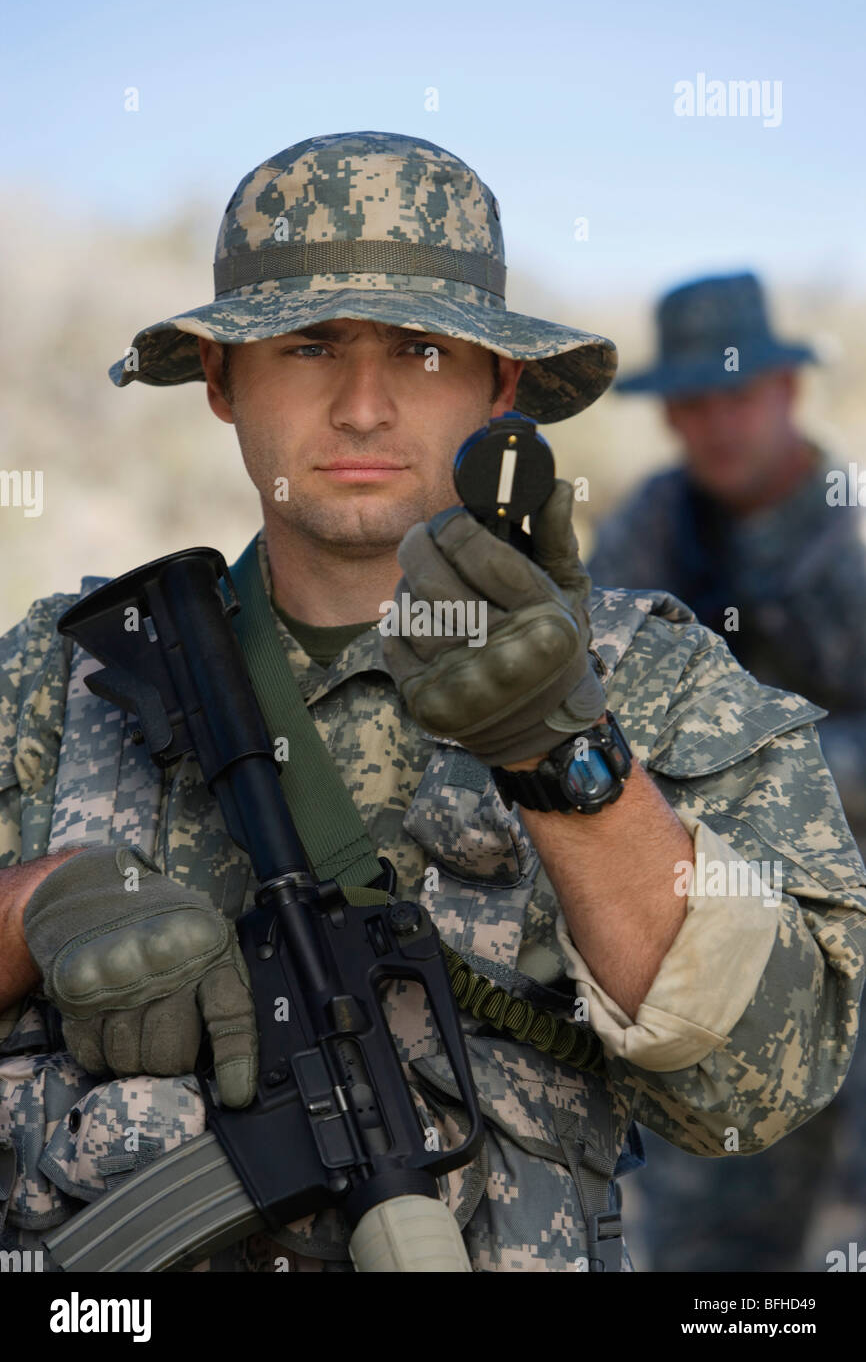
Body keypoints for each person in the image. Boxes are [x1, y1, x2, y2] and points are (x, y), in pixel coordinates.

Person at [0, 136, 864, 1275]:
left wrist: (564, 757)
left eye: (418, 351)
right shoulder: (61, 674)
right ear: (218, 379)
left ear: (498, 387)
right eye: (308, 346)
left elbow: (764, 1081)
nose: (362, 407)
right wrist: (39, 909)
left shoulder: (650, 676)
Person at [589, 271, 866, 1271]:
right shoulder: (654, 528)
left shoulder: (847, 534)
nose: (715, 425)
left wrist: (763, 768)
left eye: (735, 395)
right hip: (717, 924)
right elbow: (595, 695)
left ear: (786, 393)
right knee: (714, 1237)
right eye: (692, 404)